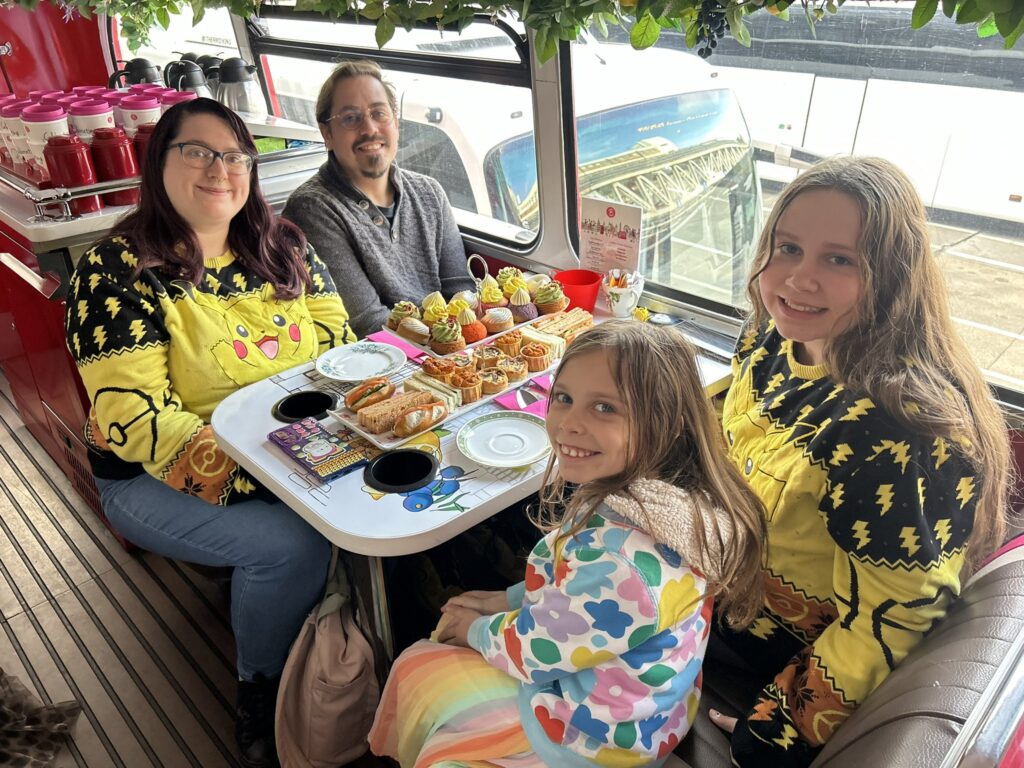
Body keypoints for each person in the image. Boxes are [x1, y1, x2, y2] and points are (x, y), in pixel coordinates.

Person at [64, 98, 358, 768]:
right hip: (147, 476)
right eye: (196, 151)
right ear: (158, 163)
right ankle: (260, 685)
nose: (219, 169)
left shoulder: (284, 243)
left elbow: (341, 350)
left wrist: (333, 451)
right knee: (291, 545)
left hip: (298, 452)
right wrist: (281, 480)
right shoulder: (115, 272)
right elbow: (139, 424)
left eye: (234, 155)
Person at [695, 156, 1013, 767]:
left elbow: (892, 620)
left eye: (839, 260)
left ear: (892, 276)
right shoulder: (773, 339)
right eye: (786, 247)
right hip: (714, 566)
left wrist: (775, 728)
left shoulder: (892, 439)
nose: (797, 278)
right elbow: (735, 431)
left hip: (763, 640)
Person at [368, 321, 768, 766]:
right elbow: (577, 592)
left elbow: (536, 653)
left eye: (604, 407)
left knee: (418, 665)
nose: (570, 424)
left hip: (597, 738)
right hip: (657, 707)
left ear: (666, 424)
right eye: (564, 398)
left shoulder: (625, 564)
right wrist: (508, 598)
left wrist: (476, 631)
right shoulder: (663, 499)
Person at [282, 59, 475, 338]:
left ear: (395, 123)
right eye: (350, 118)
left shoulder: (430, 193)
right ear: (327, 135)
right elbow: (368, 323)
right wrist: (444, 341)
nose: (369, 129)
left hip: (448, 348)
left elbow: (460, 288)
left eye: (379, 113)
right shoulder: (312, 209)